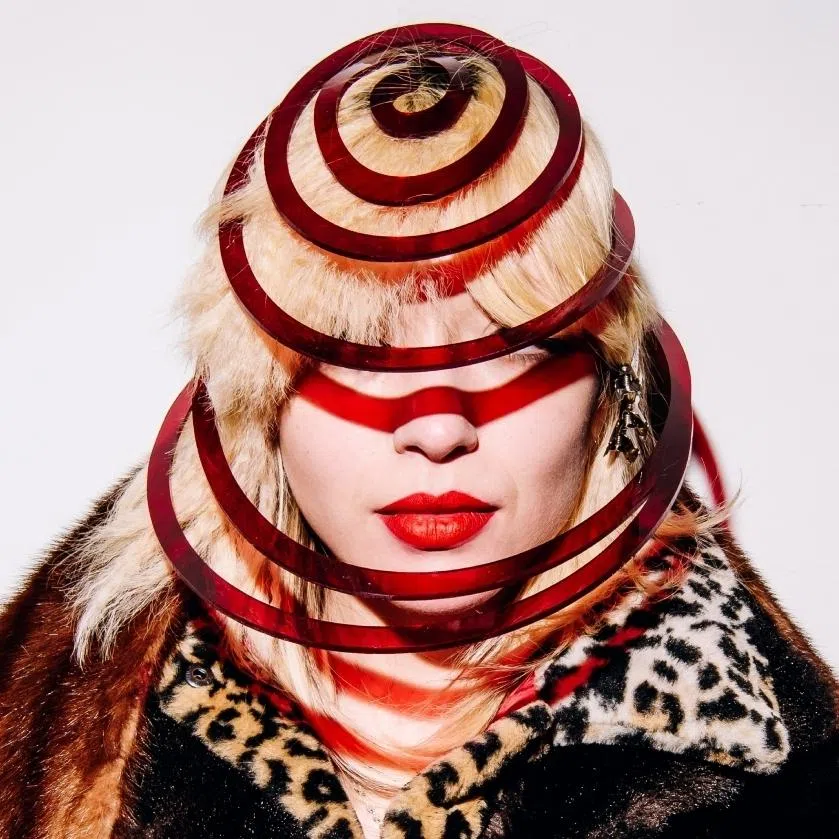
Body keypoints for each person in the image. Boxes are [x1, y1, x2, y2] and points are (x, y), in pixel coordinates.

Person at [0, 22, 836, 839]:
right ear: (259, 400)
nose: (436, 428)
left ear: (608, 389)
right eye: (356, 350)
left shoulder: (779, 773)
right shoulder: (50, 718)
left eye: (513, 348)